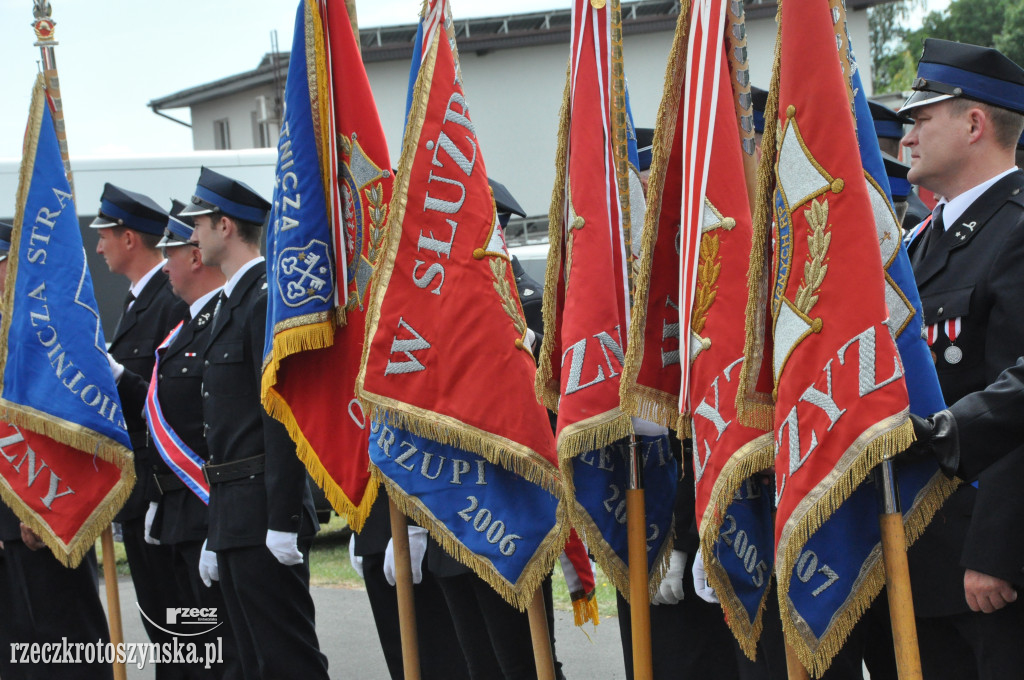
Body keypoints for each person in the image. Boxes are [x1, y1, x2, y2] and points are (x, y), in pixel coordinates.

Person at [899, 38, 1024, 680]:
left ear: (974, 123)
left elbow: (1018, 393)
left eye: (921, 117)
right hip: (917, 556)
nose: (906, 133)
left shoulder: (1018, 228)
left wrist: (999, 550)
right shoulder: (918, 247)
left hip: (988, 564)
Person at [181, 167, 329, 679]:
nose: (192, 234)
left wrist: (282, 519)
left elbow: (280, 417)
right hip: (235, 515)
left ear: (226, 226)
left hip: (264, 514)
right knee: (251, 664)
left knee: (288, 661)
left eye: (199, 222)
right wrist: (215, 529)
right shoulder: (231, 304)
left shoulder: (263, 300)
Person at [114, 202, 240, 678]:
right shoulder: (174, 315)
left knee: (212, 647)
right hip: (165, 501)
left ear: (193, 255)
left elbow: (207, 423)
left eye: (172, 250)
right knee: (177, 641)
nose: (164, 261)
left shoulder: (189, 312)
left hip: (201, 504)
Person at [0, 221, 114, 680]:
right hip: (11, 516)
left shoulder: (45, 330)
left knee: (68, 642)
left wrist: (42, 511)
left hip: (50, 507)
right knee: (19, 649)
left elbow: (73, 424)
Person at [92, 184, 189, 677]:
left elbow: (169, 402)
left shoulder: (169, 301)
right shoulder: (137, 302)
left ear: (130, 238)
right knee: (162, 628)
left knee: (182, 632)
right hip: (139, 491)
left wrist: (115, 376)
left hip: (163, 492)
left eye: (105, 234)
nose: (98, 245)